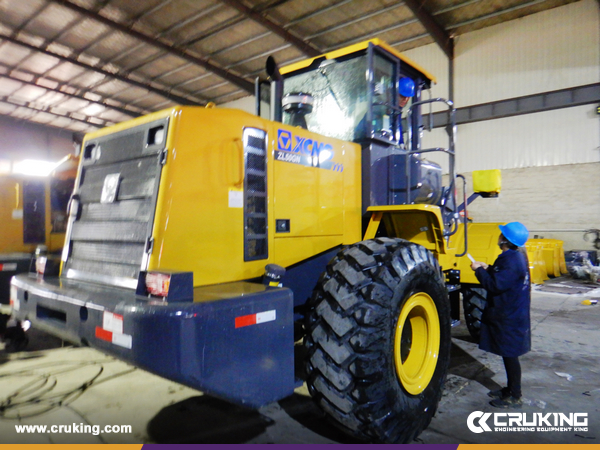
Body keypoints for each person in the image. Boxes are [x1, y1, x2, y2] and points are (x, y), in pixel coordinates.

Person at [470, 221, 531, 408]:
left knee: (510, 355)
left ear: (505, 240)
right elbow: (502, 277)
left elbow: (494, 285)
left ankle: (515, 395)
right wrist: (487, 267)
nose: (498, 236)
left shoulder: (511, 260)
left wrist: (478, 271)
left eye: (501, 234)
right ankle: (510, 389)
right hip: (511, 312)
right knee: (507, 354)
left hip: (509, 316)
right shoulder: (514, 257)